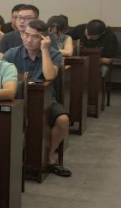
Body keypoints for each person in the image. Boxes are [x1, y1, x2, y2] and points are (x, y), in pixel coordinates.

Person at [4, 20, 71, 177]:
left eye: (35, 37)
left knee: (63, 120)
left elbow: (49, 75)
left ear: (44, 39)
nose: (29, 40)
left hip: (46, 99)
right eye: (26, 35)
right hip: (17, 99)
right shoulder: (12, 54)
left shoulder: (53, 53)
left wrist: (45, 50)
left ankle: (49, 157)